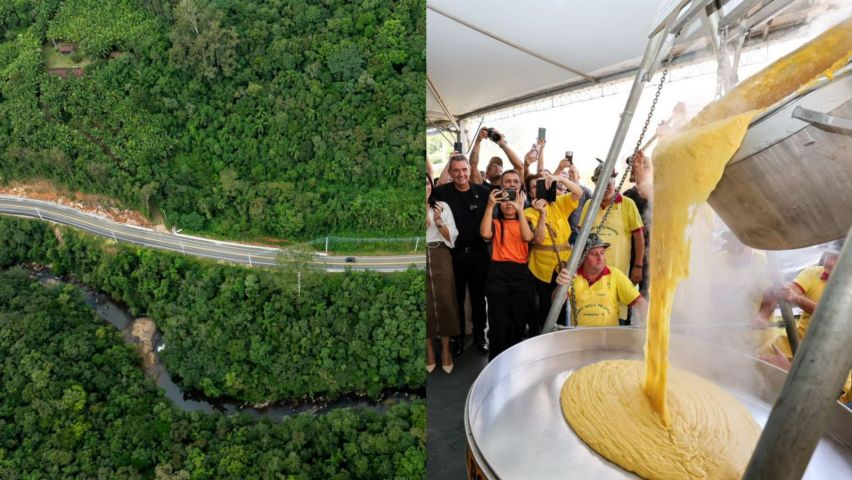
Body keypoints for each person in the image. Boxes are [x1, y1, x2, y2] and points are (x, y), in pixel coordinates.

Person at [431, 153, 492, 355]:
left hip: (479, 255)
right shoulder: (441, 192)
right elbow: (427, 194)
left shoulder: (484, 192)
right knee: (455, 299)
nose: (460, 174)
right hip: (453, 256)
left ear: (470, 170)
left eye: (464, 170)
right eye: (455, 170)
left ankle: (480, 336)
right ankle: (457, 339)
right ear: (449, 172)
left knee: (478, 298)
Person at [479, 173, 538, 360]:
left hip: (521, 274)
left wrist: (520, 210)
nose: (508, 204)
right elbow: (485, 234)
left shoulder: (526, 220)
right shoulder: (495, 223)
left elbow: (528, 237)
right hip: (498, 274)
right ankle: (496, 363)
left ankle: (514, 361)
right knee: (498, 323)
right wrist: (490, 205)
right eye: (504, 200)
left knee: (518, 322)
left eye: (512, 200)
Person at [579, 160, 645, 323]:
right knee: (592, 315)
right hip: (592, 276)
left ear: (615, 182)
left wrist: (638, 266)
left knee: (617, 318)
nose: (606, 187)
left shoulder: (628, 204)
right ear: (596, 184)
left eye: (609, 183)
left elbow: (639, 238)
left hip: (619, 275)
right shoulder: (589, 205)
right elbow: (582, 237)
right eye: (602, 183)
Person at [524, 171, 583, 333]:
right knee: (543, 306)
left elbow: (578, 193)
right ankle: (542, 338)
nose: (539, 189)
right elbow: (539, 239)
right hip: (540, 267)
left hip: (564, 264)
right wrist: (542, 214)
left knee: (561, 304)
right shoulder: (527, 213)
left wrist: (560, 179)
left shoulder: (559, 203)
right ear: (530, 192)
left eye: (542, 185)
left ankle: (559, 338)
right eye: (534, 187)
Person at [555, 234, 647, 327]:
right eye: (594, 254)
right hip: (580, 335)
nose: (600, 258)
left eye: (602, 253)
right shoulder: (573, 276)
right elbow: (556, 302)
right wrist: (561, 285)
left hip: (608, 335)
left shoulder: (615, 274)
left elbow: (640, 303)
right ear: (582, 257)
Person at [426, 174, 461, 374]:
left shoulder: (442, 206)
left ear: (431, 185)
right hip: (418, 253)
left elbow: (452, 237)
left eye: (426, 183)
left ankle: (446, 350)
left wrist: (438, 221)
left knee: (445, 299)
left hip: (440, 252)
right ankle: (429, 349)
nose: (424, 187)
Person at [622, 151, 651, 296]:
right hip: (629, 253)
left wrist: (638, 167)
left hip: (649, 254)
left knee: (646, 295)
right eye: (632, 167)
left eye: (637, 167)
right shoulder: (628, 194)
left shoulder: (656, 191)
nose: (632, 170)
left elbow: (644, 191)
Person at [554, 157, 592, 245]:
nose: (563, 179)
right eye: (561, 177)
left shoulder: (586, 191)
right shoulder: (559, 193)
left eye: (567, 177)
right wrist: (559, 169)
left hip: (580, 232)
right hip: (563, 232)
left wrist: (575, 178)